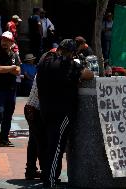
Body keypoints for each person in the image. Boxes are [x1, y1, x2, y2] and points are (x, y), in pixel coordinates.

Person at [36, 39, 94, 187]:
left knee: (48, 143)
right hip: (62, 111)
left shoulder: (45, 61)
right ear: (72, 53)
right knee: (57, 147)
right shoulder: (70, 65)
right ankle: (50, 180)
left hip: (45, 109)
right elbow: (89, 75)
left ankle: (46, 175)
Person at [0, 31, 21, 149]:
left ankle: (4, 139)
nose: (4, 42)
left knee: (8, 115)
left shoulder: (14, 55)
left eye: (7, 40)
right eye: (3, 40)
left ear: (12, 42)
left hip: (11, 89)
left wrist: (7, 69)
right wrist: (11, 68)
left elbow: (18, 71)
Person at [24, 76, 43, 180]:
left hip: (32, 109)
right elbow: (41, 95)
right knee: (40, 141)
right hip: (34, 110)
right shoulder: (44, 71)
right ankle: (45, 171)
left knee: (34, 141)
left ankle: (30, 170)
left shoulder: (44, 68)